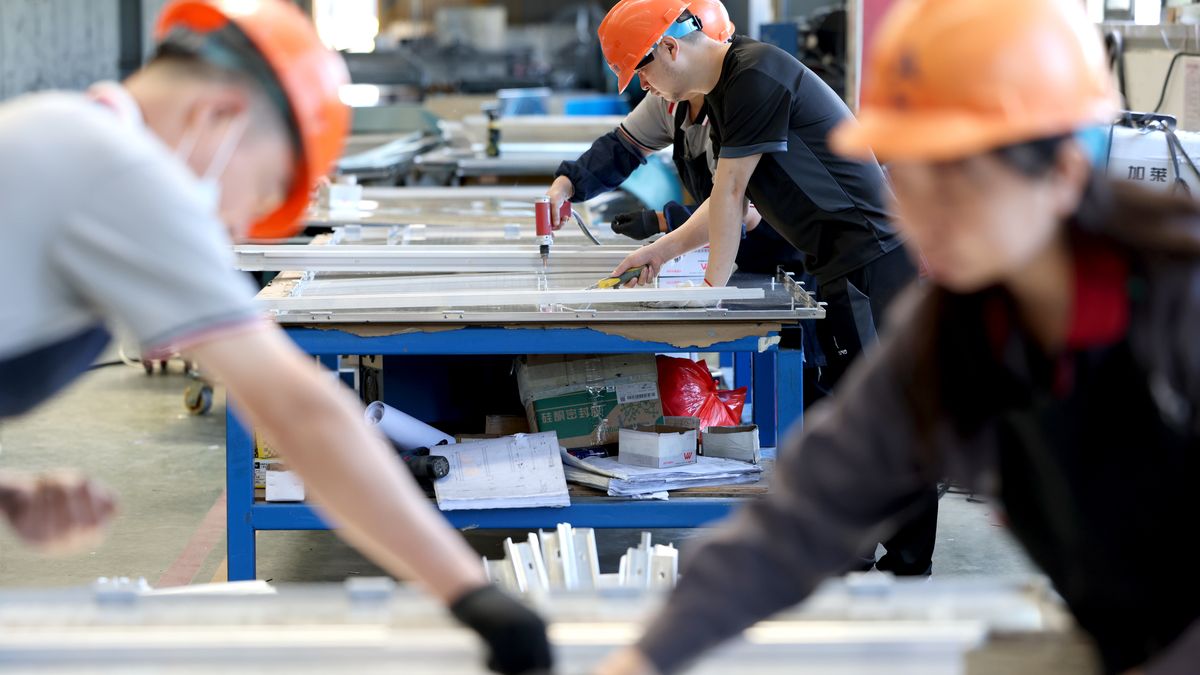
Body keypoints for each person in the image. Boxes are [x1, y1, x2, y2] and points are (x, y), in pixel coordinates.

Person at [594, 1, 1200, 674]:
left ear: (1063, 172)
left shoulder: (1179, 310)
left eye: (955, 179)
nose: (916, 213)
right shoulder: (956, 333)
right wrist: (651, 653)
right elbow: (806, 510)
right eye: (906, 173)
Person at [0, 2, 549, 673]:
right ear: (220, 116)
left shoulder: (64, 138)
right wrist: (471, 594)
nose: (236, 224)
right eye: (257, 191)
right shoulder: (119, 167)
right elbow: (298, 409)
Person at [595, 0, 938, 575]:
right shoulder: (728, 91)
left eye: (644, 72)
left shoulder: (755, 76)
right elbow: (726, 200)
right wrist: (660, 250)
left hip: (871, 259)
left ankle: (906, 560)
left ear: (671, 48)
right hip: (837, 259)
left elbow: (730, 196)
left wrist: (710, 297)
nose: (646, 88)